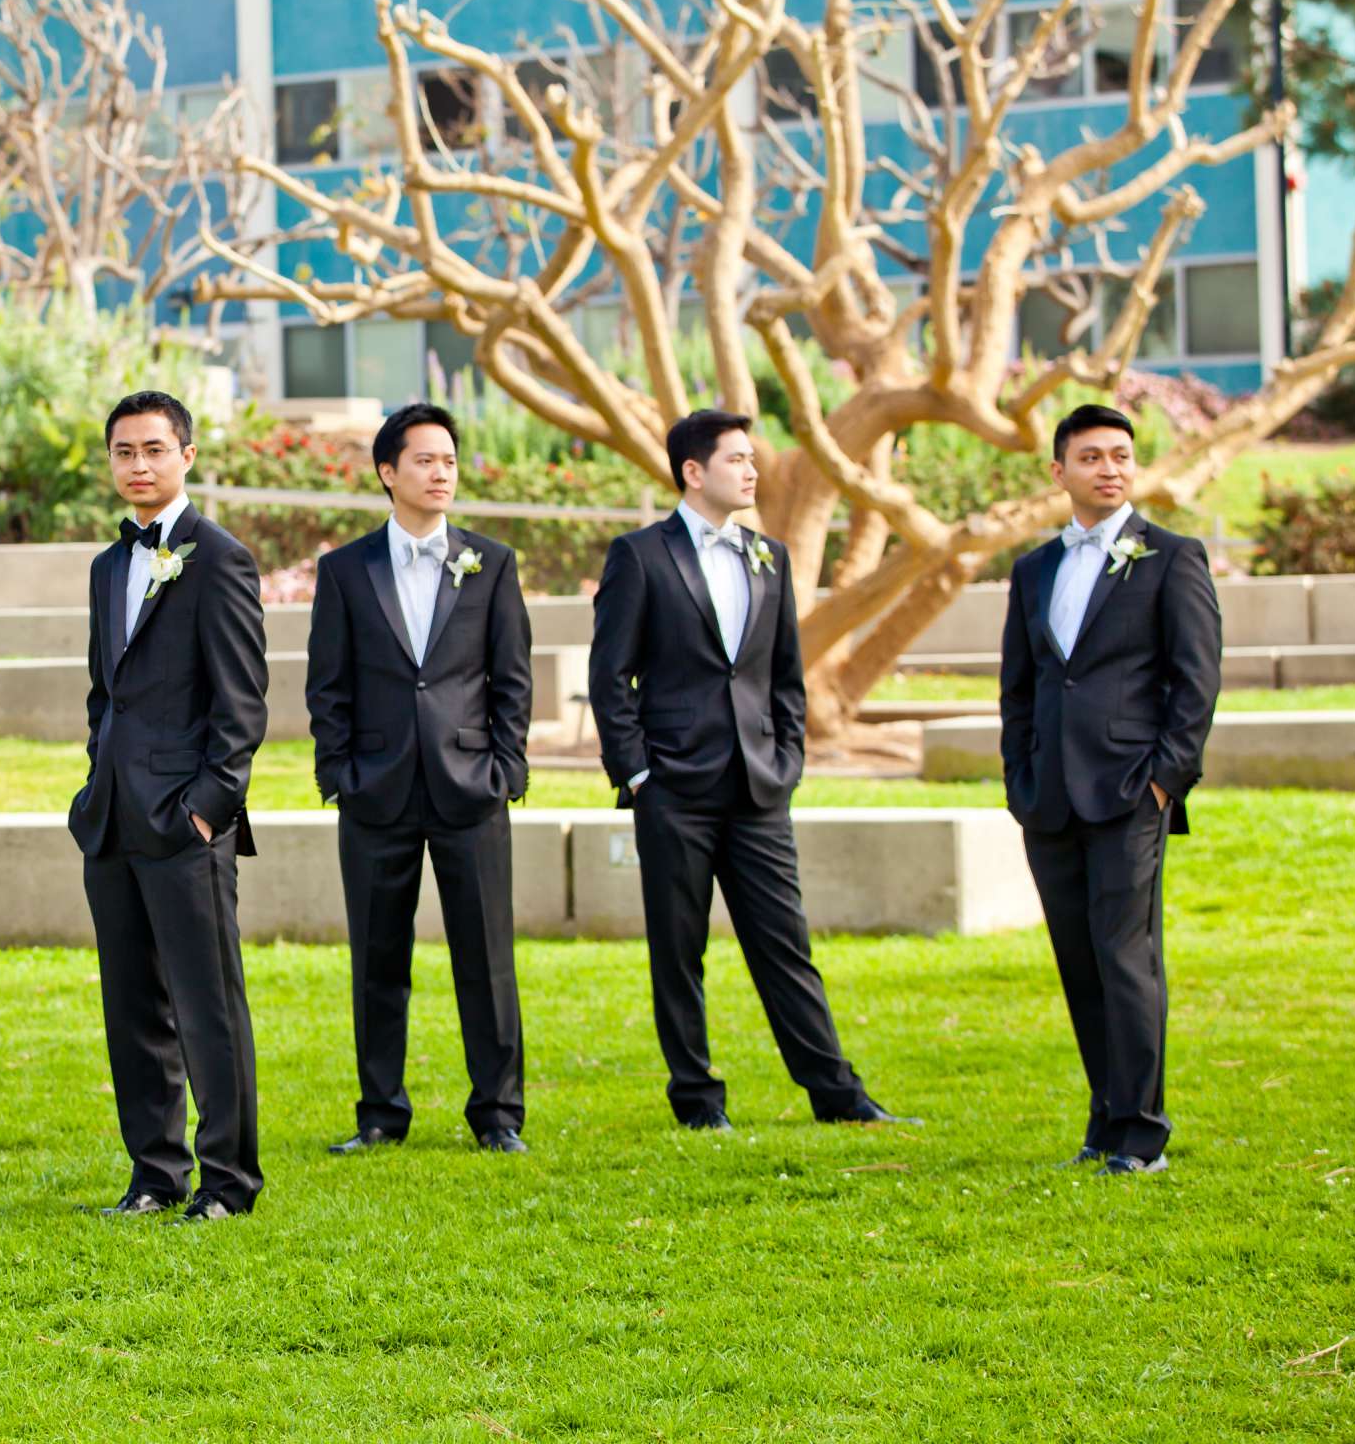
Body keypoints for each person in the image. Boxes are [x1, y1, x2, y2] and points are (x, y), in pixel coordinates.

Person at [587, 408, 916, 1133]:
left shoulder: (770, 555)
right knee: (679, 951)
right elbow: (610, 677)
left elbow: (785, 677)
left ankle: (837, 1093)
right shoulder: (640, 556)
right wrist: (637, 775)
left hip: (760, 786)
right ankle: (699, 1100)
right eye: (737, 458)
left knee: (785, 943)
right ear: (693, 472)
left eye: (751, 458)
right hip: (673, 787)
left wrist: (787, 759)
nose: (752, 469)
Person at [307, 402, 534, 1156]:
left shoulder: (491, 562)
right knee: (377, 960)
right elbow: (327, 684)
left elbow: (512, 678)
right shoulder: (345, 570)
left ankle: (498, 1115)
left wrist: (505, 769)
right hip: (375, 791)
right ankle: (380, 1114)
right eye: (426, 460)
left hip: (472, 787)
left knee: (488, 961)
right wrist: (339, 773)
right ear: (387, 472)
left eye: (450, 461)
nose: (441, 473)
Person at [999, 404, 1220, 1177]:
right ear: (1059, 472)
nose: (1109, 468)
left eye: (1121, 455)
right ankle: (1103, 1119)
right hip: (1048, 801)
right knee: (1079, 962)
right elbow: (1019, 689)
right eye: (1090, 456)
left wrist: (1165, 782)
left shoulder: (1171, 557)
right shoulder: (1034, 570)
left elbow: (1196, 684)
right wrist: (1018, 781)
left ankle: (1140, 1132)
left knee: (1127, 960)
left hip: (1131, 794)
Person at [68, 390, 269, 1222]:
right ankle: (155, 1174)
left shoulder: (218, 557)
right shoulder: (108, 565)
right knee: (132, 1009)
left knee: (207, 1006)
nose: (138, 465)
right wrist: (95, 781)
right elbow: (102, 692)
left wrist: (208, 808)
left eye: (153, 449)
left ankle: (228, 1181)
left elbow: (243, 700)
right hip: (112, 819)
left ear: (186, 455)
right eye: (123, 451)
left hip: (186, 822)